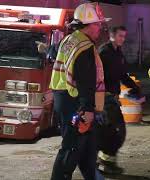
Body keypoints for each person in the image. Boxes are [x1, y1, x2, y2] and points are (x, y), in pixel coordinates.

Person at [50, 2, 109, 180]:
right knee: (72, 147)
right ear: (89, 25)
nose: (100, 27)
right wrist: (88, 109)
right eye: (97, 24)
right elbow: (86, 82)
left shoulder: (70, 39)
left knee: (87, 149)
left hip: (64, 99)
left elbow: (54, 55)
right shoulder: (85, 47)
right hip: (75, 104)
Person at [96, 26, 140, 174]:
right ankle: (104, 163)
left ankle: (103, 162)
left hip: (113, 98)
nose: (123, 38)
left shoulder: (118, 53)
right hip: (104, 98)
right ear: (112, 35)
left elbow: (122, 74)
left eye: (124, 36)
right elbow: (96, 76)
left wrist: (134, 87)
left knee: (113, 133)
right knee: (116, 132)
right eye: (120, 35)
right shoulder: (104, 52)